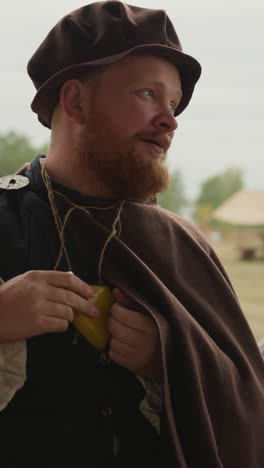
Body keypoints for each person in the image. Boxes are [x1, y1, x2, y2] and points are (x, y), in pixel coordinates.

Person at [0, 2, 263, 467]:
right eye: (147, 94)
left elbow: (248, 395)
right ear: (76, 101)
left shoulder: (185, 248)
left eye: (174, 104)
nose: (170, 120)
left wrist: (171, 360)